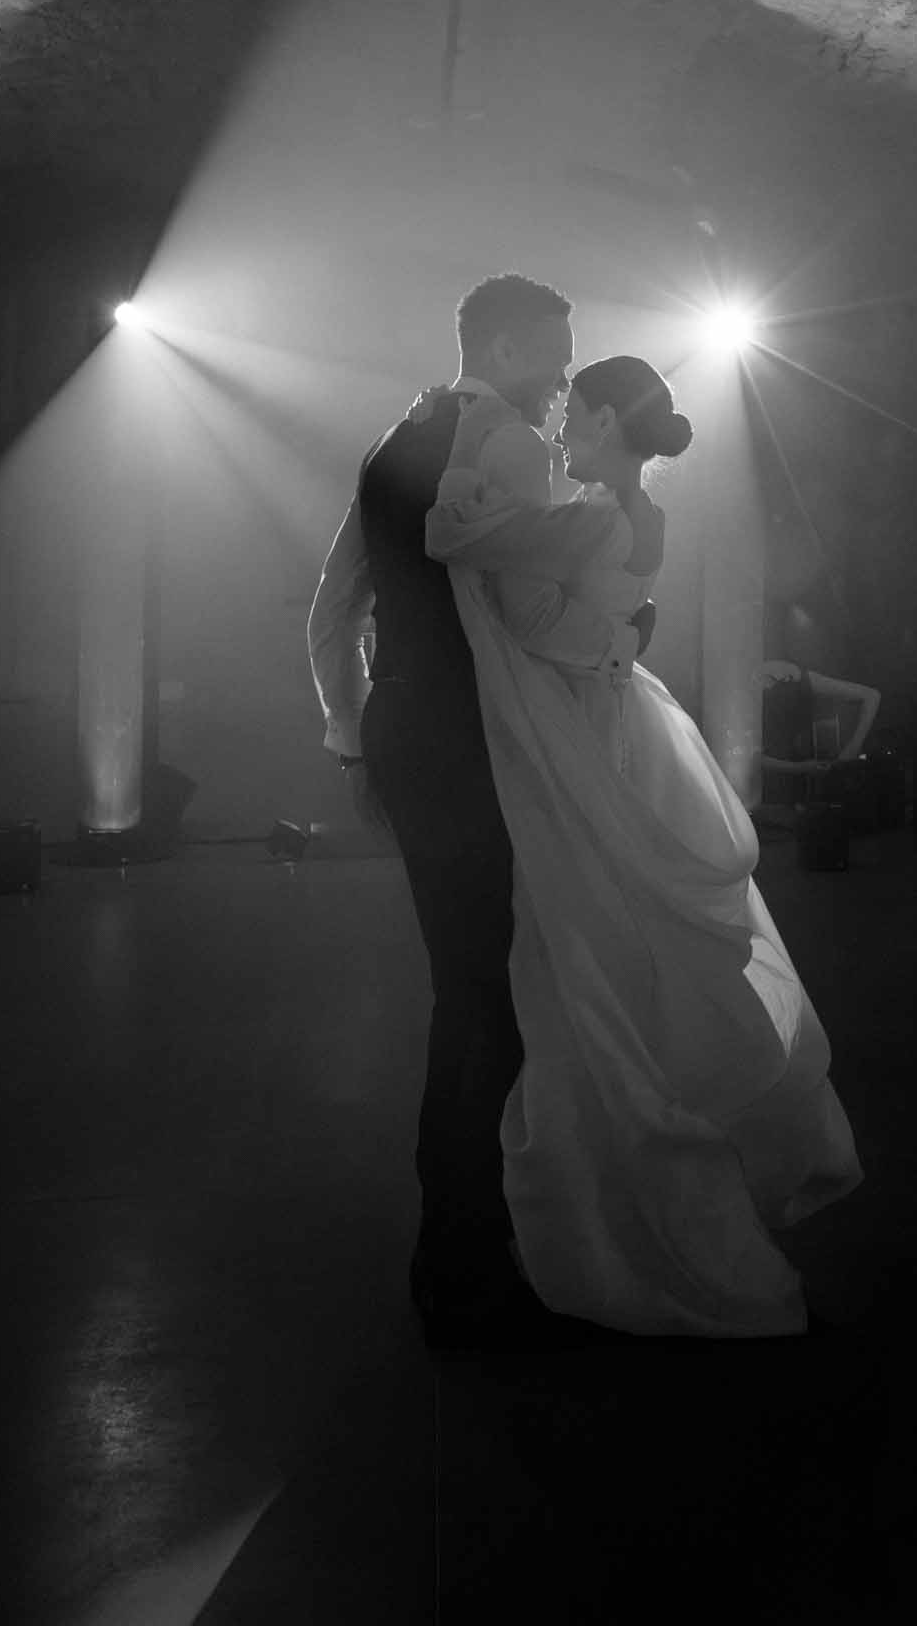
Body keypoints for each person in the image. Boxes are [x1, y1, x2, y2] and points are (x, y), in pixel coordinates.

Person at [418, 355, 863, 1337]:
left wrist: (460, 454)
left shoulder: (591, 515)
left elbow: (472, 557)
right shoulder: (633, 515)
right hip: (617, 718)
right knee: (623, 933)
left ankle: (627, 1194)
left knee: (581, 940)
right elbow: (621, 624)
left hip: (580, 732)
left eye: (576, 412)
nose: (562, 427)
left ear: (610, 417)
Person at [307, 274, 653, 1348]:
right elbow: (530, 621)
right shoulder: (501, 444)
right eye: (553, 355)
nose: (562, 377)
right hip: (479, 745)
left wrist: (355, 731)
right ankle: (460, 1258)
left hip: (410, 736)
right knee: (489, 999)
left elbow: (333, 611)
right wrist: (620, 635)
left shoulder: (391, 442)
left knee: (468, 990)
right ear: (502, 348)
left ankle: (461, 1243)